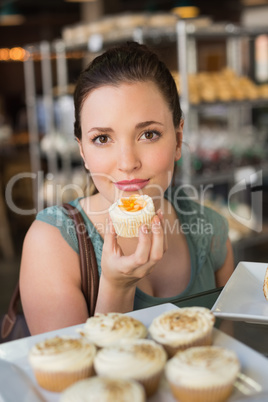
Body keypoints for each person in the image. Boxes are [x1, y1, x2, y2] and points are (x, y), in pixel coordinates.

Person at [20, 42, 234, 335]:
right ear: (82, 150)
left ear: (178, 139)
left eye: (148, 134)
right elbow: (69, 379)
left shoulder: (211, 231)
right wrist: (116, 287)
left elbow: (225, 357)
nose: (127, 163)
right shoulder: (51, 243)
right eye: (102, 139)